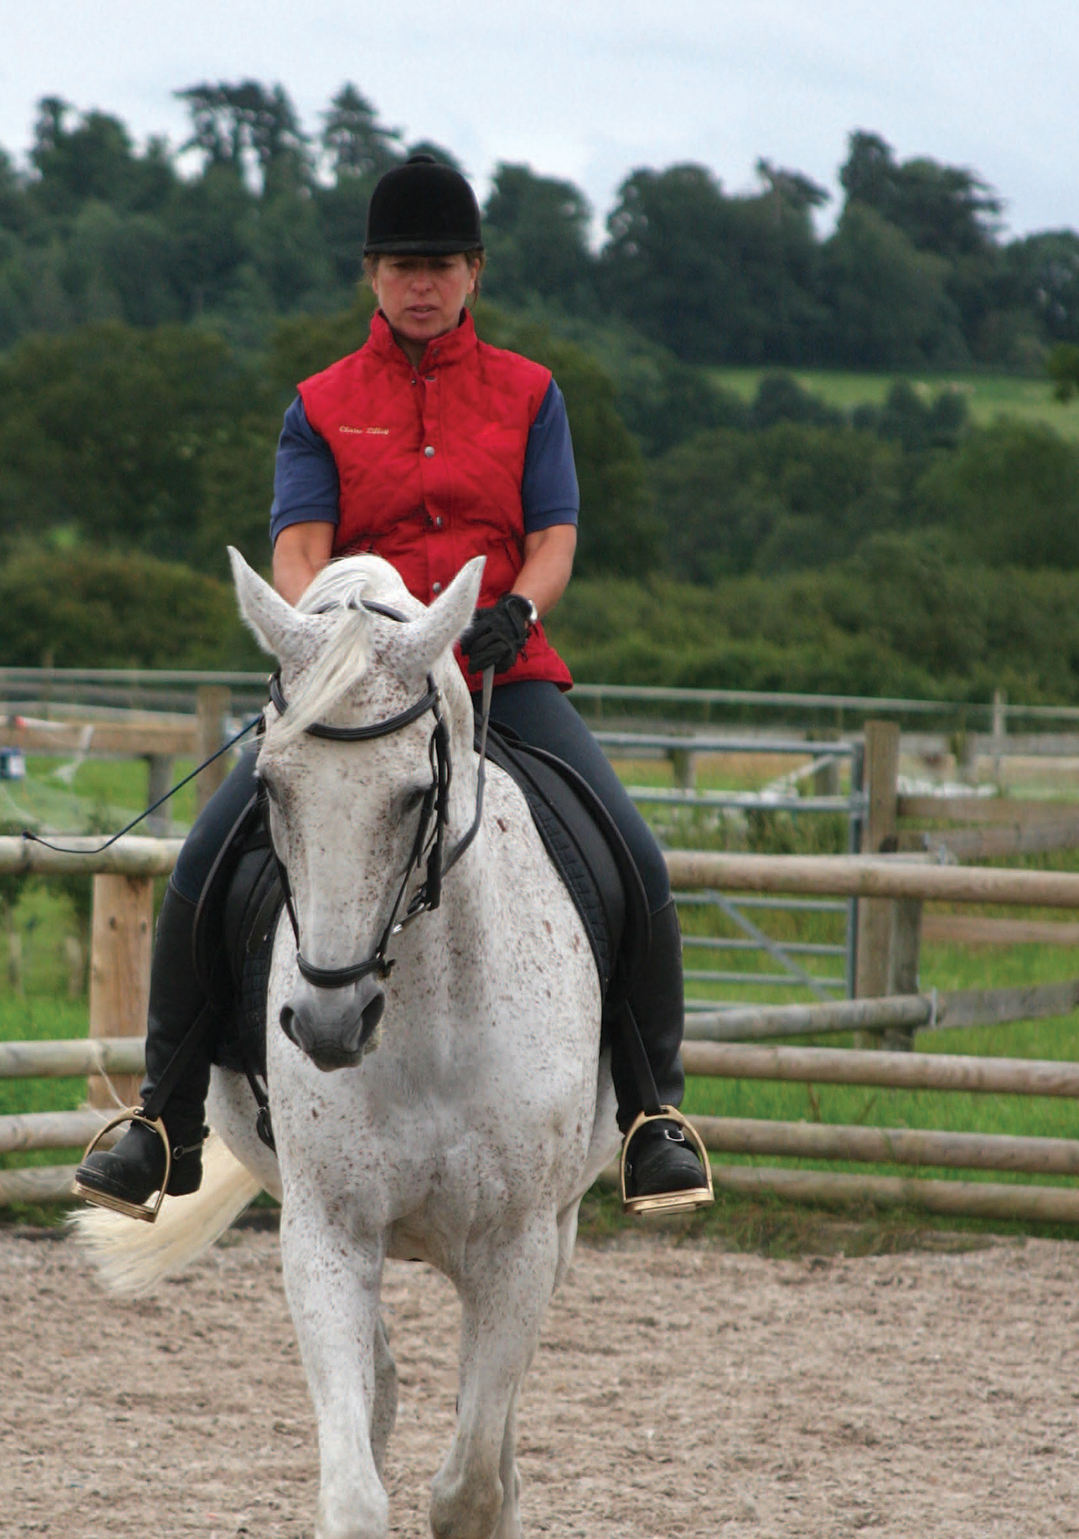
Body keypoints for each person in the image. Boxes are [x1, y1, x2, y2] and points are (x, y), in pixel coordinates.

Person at [76, 153, 707, 1219]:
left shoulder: (529, 394)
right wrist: (326, 639)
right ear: (371, 275)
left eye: (442, 264)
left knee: (631, 856)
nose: (422, 283)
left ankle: (652, 1116)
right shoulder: (320, 404)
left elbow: (552, 535)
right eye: (402, 264)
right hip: (354, 692)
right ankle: (162, 1121)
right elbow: (297, 550)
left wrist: (523, 606)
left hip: (499, 670)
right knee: (207, 855)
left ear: (473, 273)